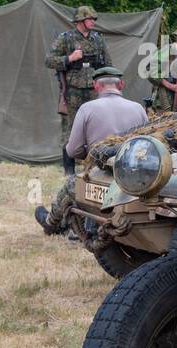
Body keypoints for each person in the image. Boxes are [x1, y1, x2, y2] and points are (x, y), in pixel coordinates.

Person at [34, 67, 148, 235]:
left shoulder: (87, 109)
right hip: (131, 178)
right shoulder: (138, 108)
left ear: (95, 86)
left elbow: (72, 150)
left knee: (72, 185)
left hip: (99, 174)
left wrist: (91, 155)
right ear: (121, 85)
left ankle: (51, 222)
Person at [45, 4, 110, 174]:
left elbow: (108, 65)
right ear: (80, 20)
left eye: (94, 18)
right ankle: (69, 171)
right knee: (71, 129)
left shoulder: (98, 39)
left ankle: (95, 168)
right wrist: (69, 58)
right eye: (90, 18)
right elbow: (49, 60)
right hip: (72, 91)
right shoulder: (66, 38)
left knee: (97, 128)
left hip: (94, 91)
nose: (93, 21)